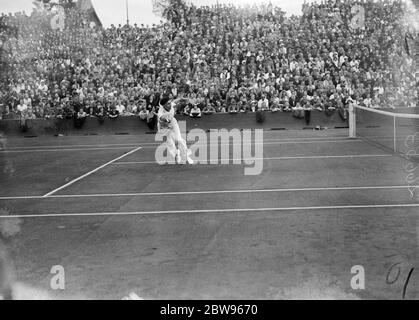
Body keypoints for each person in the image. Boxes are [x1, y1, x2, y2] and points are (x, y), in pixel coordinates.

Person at [157, 96, 194, 165]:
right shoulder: (160, 113)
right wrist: (166, 122)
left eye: (169, 103)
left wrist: (184, 99)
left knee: (179, 140)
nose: (170, 105)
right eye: (167, 104)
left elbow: (177, 100)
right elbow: (162, 121)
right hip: (164, 128)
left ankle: (186, 156)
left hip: (173, 124)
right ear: (163, 105)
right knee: (170, 144)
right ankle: (177, 155)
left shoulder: (170, 104)